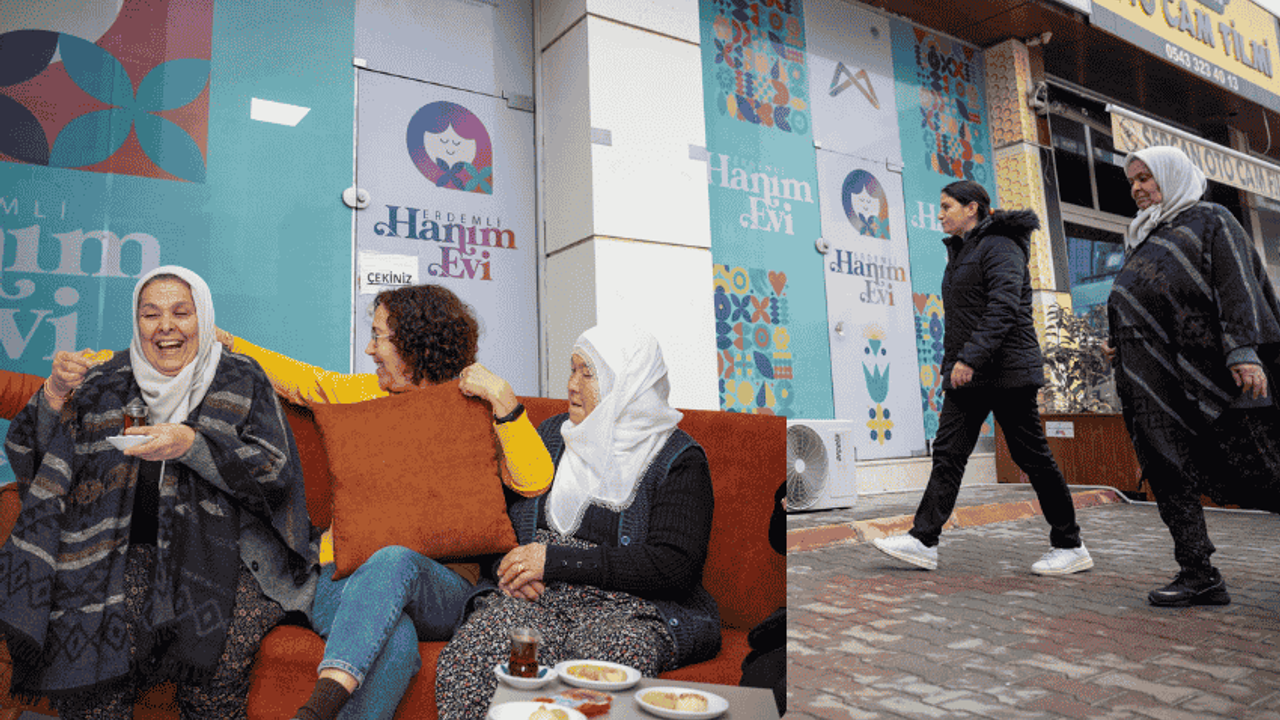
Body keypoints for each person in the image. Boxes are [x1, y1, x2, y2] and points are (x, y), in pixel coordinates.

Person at [46, 284, 554, 720]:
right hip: (343, 577)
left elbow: (534, 480)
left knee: (394, 561)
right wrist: (208, 339)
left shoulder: (474, 405)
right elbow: (293, 376)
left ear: (413, 342)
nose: (370, 348)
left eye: (379, 336)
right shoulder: (361, 395)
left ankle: (315, 710)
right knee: (396, 646)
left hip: (438, 587)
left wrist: (505, 402)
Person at [0, 266, 317, 719]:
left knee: (214, 667)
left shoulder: (241, 376)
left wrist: (193, 445)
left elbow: (275, 472)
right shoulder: (105, 380)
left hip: (228, 558)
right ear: (137, 322)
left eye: (181, 312)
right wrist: (53, 392)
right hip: (117, 549)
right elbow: (37, 460)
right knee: (96, 646)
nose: (166, 326)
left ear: (203, 317)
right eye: (150, 314)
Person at [434, 325, 721, 720]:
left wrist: (553, 561)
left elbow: (675, 566)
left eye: (589, 374)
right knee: (477, 655)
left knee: (606, 661)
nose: (572, 385)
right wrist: (511, 569)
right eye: (572, 370)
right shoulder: (552, 435)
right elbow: (496, 526)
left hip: (626, 610)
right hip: (536, 599)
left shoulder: (678, 458)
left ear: (629, 384)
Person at [873, 181, 1093, 575]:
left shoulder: (1001, 246)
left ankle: (1070, 544)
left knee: (1032, 457)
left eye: (947, 206)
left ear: (971, 208)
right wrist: (953, 367)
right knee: (948, 452)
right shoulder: (963, 251)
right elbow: (961, 321)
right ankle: (923, 540)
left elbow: (1002, 308)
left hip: (1007, 371)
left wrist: (969, 358)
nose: (940, 214)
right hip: (970, 375)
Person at [1104, 145, 1280, 607]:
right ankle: (1199, 573)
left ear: (1172, 175)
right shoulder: (1143, 236)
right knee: (1168, 471)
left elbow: (1237, 284)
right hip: (1150, 383)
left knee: (1262, 467)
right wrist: (1119, 340)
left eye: (1145, 178)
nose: (1137, 188)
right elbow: (1142, 303)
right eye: (1132, 181)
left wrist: (1243, 349)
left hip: (1211, 373)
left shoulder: (1211, 220)